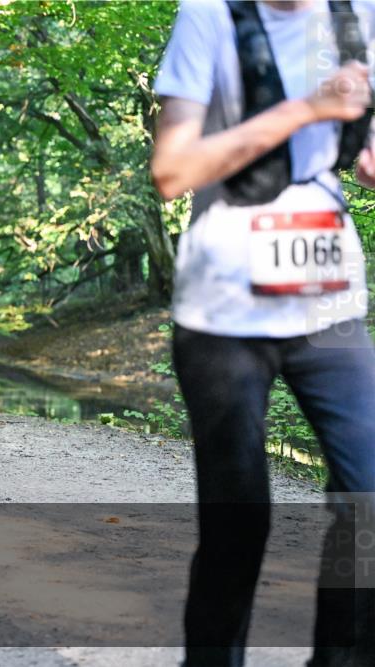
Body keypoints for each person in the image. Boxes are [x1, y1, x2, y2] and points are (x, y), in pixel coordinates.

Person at [151, 2, 375, 665]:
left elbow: (360, 147)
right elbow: (171, 171)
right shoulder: (209, 16)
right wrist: (307, 108)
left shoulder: (358, 15)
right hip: (224, 311)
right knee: (238, 523)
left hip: (328, 301)